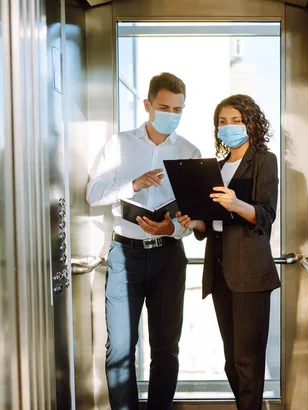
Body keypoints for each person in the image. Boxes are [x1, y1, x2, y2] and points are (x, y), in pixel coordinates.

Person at [86, 72, 201, 410]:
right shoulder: (119, 144)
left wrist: (172, 229)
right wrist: (132, 185)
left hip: (169, 258)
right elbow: (92, 194)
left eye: (178, 110)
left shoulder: (189, 151)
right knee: (120, 348)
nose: (171, 115)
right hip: (125, 254)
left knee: (166, 347)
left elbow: (191, 218)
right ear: (148, 105)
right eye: (165, 107)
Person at [176, 94, 280, 410]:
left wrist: (236, 203)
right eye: (223, 122)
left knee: (248, 362)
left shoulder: (264, 160)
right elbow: (213, 225)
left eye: (236, 120)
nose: (228, 126)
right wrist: (194, 220)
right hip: (219, 270)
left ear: (250, 123)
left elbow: (265, 215)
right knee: (231, 362)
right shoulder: (217, 167)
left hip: (250, 272)